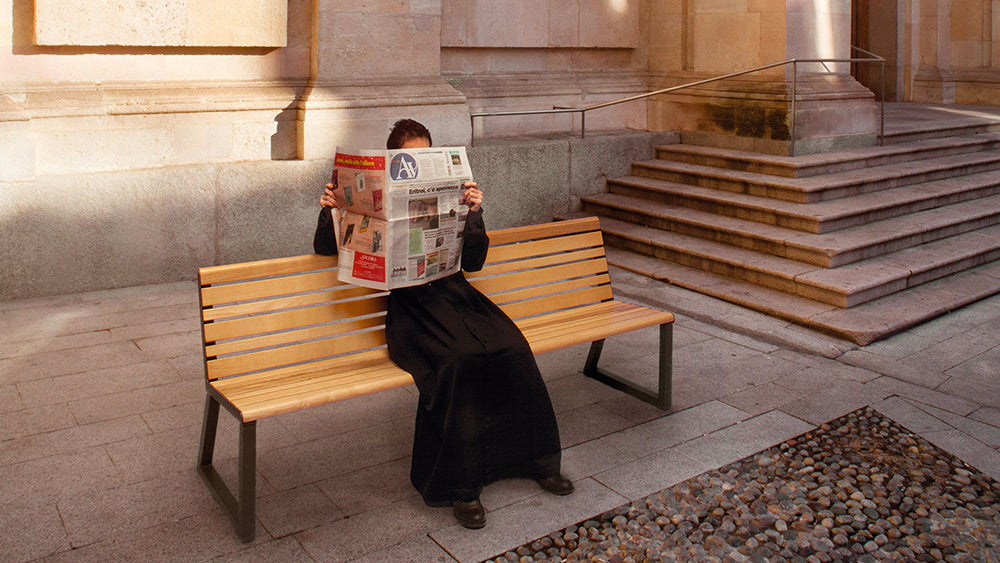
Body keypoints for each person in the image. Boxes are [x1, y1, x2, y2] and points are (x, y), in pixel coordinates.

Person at [313, 119, 573, 529]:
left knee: (513, 347)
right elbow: (327, 250)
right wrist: (329, 209)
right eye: (411, 157)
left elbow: (473, 262)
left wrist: (475, 213)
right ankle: (461, 485)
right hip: (412, 312)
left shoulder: (455, 194)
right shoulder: (371, 195)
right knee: (457, 362)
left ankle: (538, 460)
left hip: (460, 298)